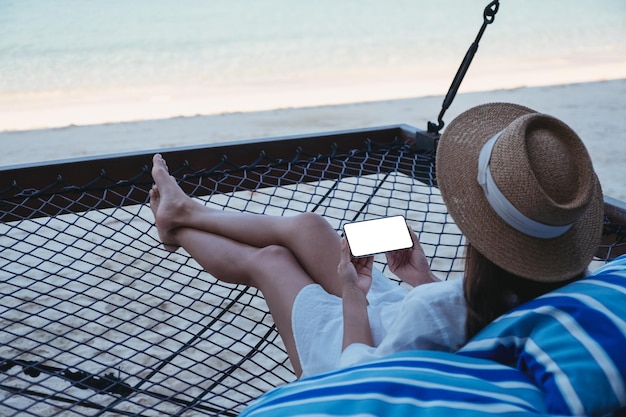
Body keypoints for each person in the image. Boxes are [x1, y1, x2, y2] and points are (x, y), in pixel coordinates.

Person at [149, 102, 603, 379]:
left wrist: (352, 294)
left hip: (351, 350)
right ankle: (185, 211)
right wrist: (421, 276)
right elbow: (464, 319)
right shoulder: (585, 283)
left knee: (272, 261)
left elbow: (357, 377)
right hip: (393, 318)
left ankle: (177, 227)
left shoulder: (434, 307)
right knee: (309, 226)